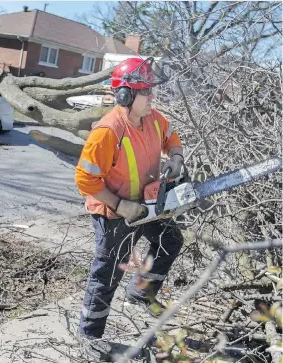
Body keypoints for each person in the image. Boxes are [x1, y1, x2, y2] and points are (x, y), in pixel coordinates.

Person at [74, 57, 185, 362]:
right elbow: (85, 179)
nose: (152, 97)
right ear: (126, 95)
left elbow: (171, 136)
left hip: (145, 204)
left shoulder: (152, 119)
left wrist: (175, 157)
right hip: (113, 211)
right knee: (108, 273)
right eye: (146, 92)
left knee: (171, 240)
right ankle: (89, 337)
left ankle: (141, 290)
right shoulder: (108, 132)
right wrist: (120, 205)